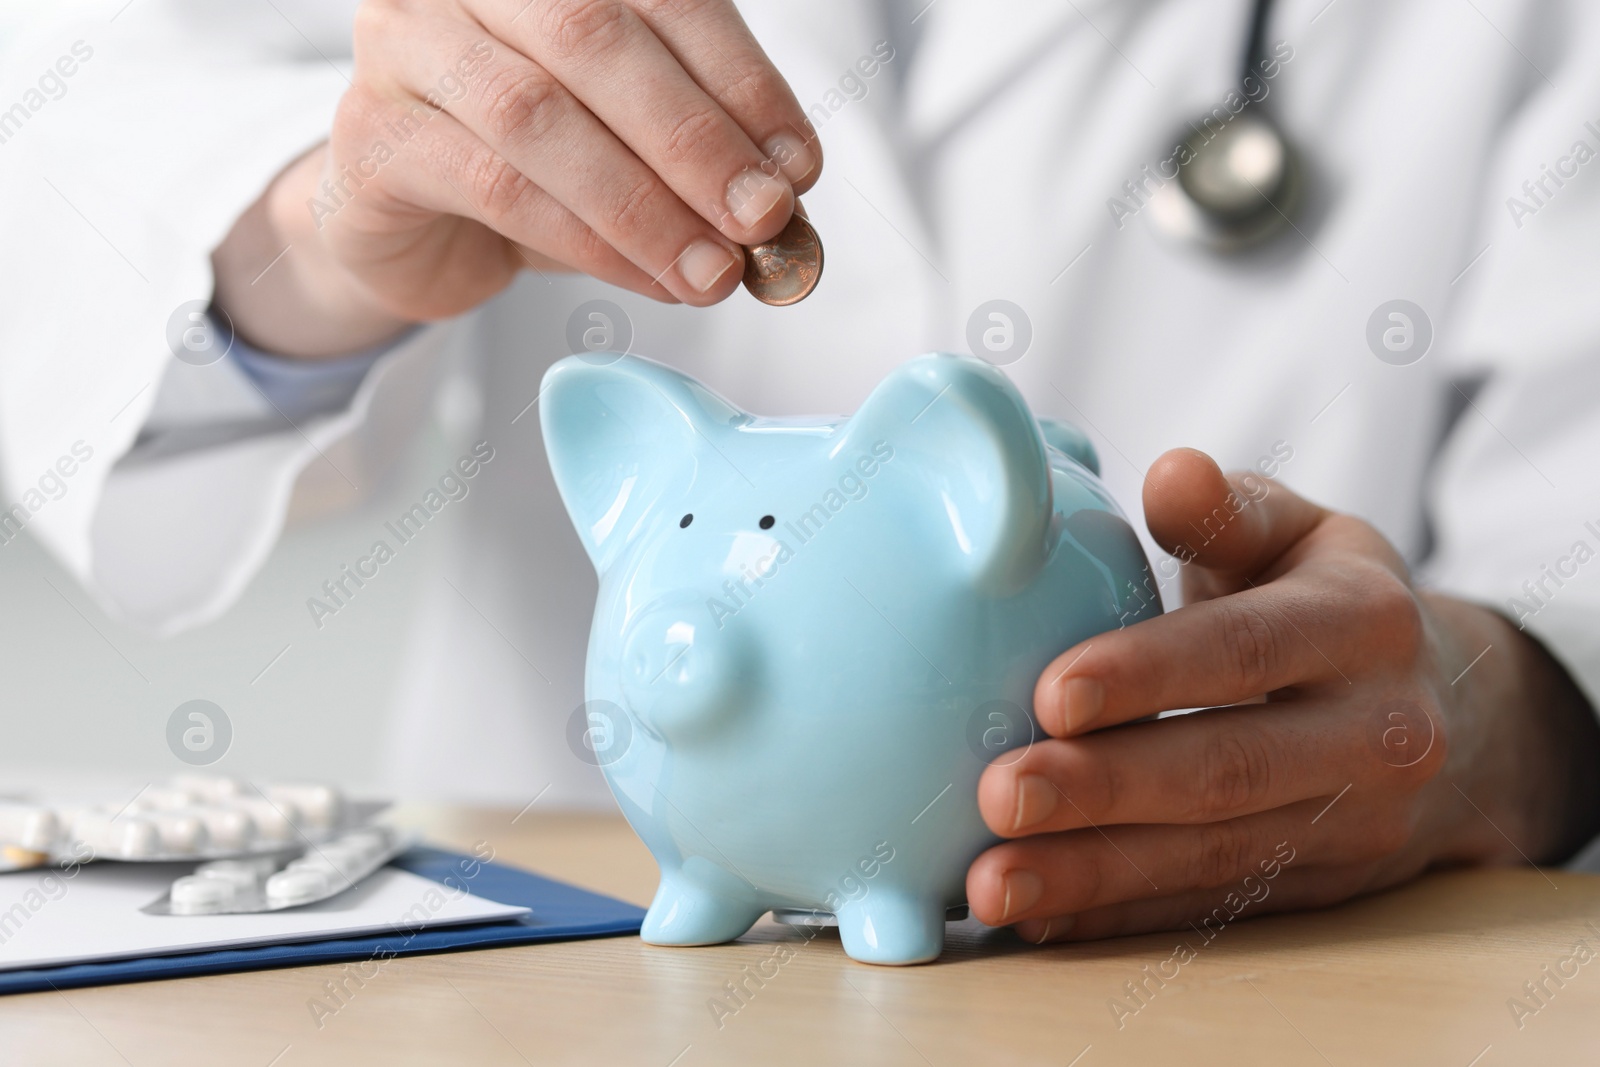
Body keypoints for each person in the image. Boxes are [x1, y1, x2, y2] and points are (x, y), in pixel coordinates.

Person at [3, 0, 1598, 945]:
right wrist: (317, 217)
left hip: (1267, 987)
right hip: (552, 968)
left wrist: (1510, 713)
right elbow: (68, 95)